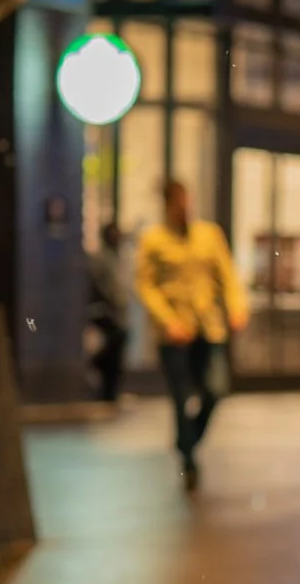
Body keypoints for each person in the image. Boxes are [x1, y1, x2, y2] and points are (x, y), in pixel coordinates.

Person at [134, 176, 246, 489]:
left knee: (216, 388)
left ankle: (187, 440)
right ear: (169, 205)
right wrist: (167, 320)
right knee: (181, 396)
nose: (185, 208)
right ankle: (188, 459)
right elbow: (145, 285)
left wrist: (236, 307)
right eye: (179, 202)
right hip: (174, 333)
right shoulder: (153, 240)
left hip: (208, 329)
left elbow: (227, 274)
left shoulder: (209, 234)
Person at [84, 221, 131, 409]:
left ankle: (111, 393)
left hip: (118, 315)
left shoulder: (119, 258)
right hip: (106, 314)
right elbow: (104, 288)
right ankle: (106, 393)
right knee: (107, 355)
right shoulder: (100, 259)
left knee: (116, 356)